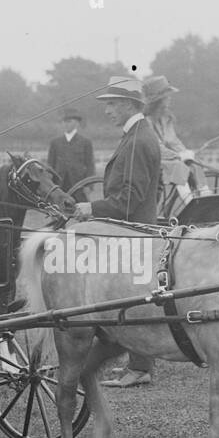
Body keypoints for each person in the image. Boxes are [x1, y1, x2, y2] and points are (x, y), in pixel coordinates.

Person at [72, 76, 162, 388]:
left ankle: (138, 368)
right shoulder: (137, 135)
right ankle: (137, 365)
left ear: (129, 104)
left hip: (130, 232)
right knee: (130, 300)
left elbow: (127, 201)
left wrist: (91, 209)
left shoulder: (137, 140)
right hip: (133, 231)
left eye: (112, 103)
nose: (107, 110)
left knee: (130, 301)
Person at [142, 75, 210, 216]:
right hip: (151, 160)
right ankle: (191, 204)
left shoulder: (167, 118)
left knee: (194, 163)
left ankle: (206, 197)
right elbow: (156, 147)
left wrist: (187, 153)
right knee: (179, 166)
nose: (170, 99)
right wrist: (178, 156)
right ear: (159, 100)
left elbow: (173, 141)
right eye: (167, 96)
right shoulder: (146, 122)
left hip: (166, 160)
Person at [46, 108, 95, 201]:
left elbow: (90, 165)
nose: (66, 124)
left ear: (77, 123)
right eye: (64, 121)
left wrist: (89, 186)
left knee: (81, 212)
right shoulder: (55, 142)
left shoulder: (85, 142)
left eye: (69, 121)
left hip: (79, 186)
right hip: (59, 186)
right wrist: (50, 185)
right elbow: (50, 166)